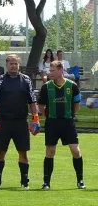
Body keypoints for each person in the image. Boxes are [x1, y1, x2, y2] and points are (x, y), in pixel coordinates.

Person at [0, 54, 39, 189]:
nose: (14, 66)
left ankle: (24, 182)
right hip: (3, 122)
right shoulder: (0, 81)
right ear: (7, 64)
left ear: (19, 64)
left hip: (21, 122)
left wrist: (35, 118)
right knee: (0, 152)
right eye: (11, 64)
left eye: (16, 64)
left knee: (23, 153)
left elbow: (32, 101)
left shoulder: (26, 80)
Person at [37, 61, 85, 189]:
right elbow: (41, 106)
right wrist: (47, 116)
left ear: (60, 70)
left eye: (52, 71)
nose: (50, 73)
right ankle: (46, 183)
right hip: (52, 123)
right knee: (50, 151)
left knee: (75, 151)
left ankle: (80, 181)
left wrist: (68, 116)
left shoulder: (72, 86)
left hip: (68, 122)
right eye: (49, 71)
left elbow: (76, 106)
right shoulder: (46, 87)